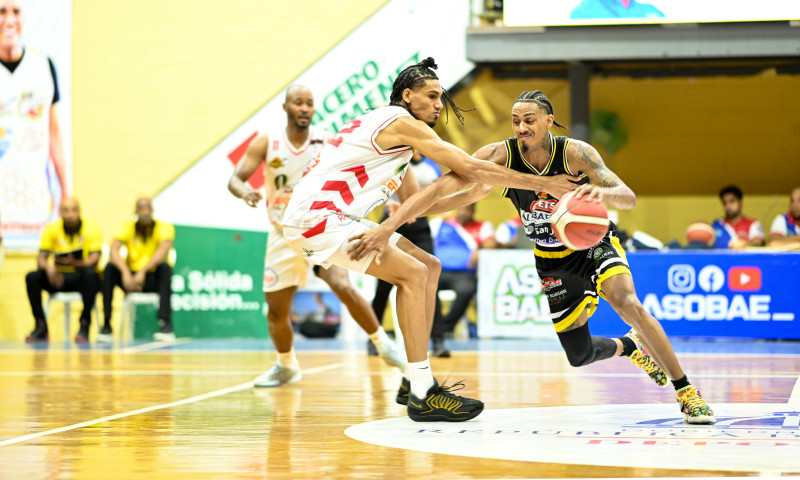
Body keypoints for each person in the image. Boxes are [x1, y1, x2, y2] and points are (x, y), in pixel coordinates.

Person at [353, 89, 716, 424]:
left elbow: (628, 196)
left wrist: (599, 193)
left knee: (627, 302)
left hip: (594, 244)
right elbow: (453, 192)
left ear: (548, 120)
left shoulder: (576, 153)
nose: (521, 127)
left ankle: (686, 391)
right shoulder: (501, 155)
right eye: (515, 120)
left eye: (529, 119)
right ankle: (629, 345)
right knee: (580, 355)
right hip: (552, 259)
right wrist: (410, 214)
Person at [282, 58, 578, 422]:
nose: (439, 104)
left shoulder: (390, 133)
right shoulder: (402, 122)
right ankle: (423, 391)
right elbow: (467, 168)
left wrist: (469, 195)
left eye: (441, 97)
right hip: (317, 219)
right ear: (407, 95)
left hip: (327, 217)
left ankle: (413, 377)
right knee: (412, 275)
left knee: (429, 266)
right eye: (432, 96)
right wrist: (544, 183)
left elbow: (424, 202)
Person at [228, 85, 406, 388]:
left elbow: (365, 167)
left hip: (321, 227)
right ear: (286, 107)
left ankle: (384, 346)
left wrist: (387, 195)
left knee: (341, 284)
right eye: (298, 103)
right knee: (276, 309)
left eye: (309, 104)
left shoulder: (327, 139)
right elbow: (235, 178)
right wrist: (245, 191)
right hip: (282, 231)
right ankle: (286, 365)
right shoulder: (267, 141)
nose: (305, 108)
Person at [0, 0, 68, 243]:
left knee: (41, 273)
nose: (9, 19)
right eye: (1, 12)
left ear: (24, 18)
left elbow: (55, 133)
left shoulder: (42, 65)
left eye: (15, 12)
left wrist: (65, 192)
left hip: (34, 199)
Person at [367, 150, 440, 356]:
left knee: (432, 276)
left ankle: (437, 340)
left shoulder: (431, 165)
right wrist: (389, 203)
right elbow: (379, 188)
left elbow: (437, 193)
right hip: (393, 222)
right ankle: (375, 339)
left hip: (419, 225)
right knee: (383, 287)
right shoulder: (394, 159)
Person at [25, 198, 101, 343]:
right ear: (60, 212)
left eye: (74, 210)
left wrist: (75, 262)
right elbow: (41, 258)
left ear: (80, 212)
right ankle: (40, 324)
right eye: (65, 210)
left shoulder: (92, 228)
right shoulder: (51, 229)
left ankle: (84, 324)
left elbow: (95, 258)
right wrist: (49, 269)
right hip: (57, 278)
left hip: (80, 277)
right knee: (32, 277)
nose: (70, 214)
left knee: (92, 275)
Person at [101, 198, 175, 343]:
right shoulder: (127, 227)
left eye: (148, 208)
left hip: (151, 278)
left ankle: (165, 324)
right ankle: (107, 325)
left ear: (152, 210)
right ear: (135, 212)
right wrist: (125, 273)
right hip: (129, 279)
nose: (145, 212)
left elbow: (163, 251)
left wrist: (143, 272)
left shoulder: (165, 228)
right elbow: (114, 250)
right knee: (109, 269)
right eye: (141, 208)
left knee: (165, 269)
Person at [429, 203, 496, 357]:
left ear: (473, 211)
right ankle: (439, 329)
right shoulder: (441, 223)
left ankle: (443, 329)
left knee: (466, 290)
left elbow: (491, 244)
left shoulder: (482, 226)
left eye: (467, 209)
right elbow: (424, 242)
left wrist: (480, 250)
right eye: (460, 208)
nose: (463, 212)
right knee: (428, 288)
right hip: (439, 271)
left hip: (463, 274)